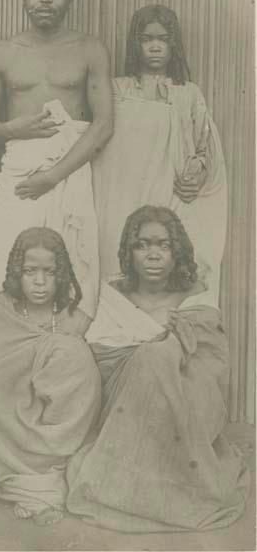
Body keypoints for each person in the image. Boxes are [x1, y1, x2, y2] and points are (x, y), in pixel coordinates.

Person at [66, 206, 249, 532]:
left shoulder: (195, 297)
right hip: (122, 404)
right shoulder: (111, 295)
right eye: (142, 245)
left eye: (163, 246)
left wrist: (178, 344)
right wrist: (153, 352)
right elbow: (100, 357)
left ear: (176, 252)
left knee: (158, 357)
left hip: (181, 404)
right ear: (128, 251)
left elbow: (213, 368)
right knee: (153, 358)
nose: (153, 255)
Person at [0, 0, 113, 320]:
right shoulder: (3, 52)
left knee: (70, 264)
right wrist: (12, 130)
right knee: (7, 256)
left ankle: (63, 351)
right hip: (19, 175)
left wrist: (53, 176)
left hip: (69, 171)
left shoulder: (89, 49)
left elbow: (103, 125)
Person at [0, 227, 101, 526]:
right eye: (30, 271)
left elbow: (77, 388)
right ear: (17, 272)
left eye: (49, 271)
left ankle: (37, 478)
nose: (40, 281)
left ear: (61, 274)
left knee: (76, 355)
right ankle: (31, 483)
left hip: (51, 428)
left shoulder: (76, 317)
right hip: (2, 417)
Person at [96, 5, 227, 304]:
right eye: (146, 38)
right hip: (123, 194)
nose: (155, 46)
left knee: (169, 266)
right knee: (121, 262)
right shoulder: (118, 90)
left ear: (173, 45)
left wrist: (198, 175)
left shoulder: (189, 93)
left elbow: (205, 144)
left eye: (163, 39)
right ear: (135, 44)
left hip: (172, 196)